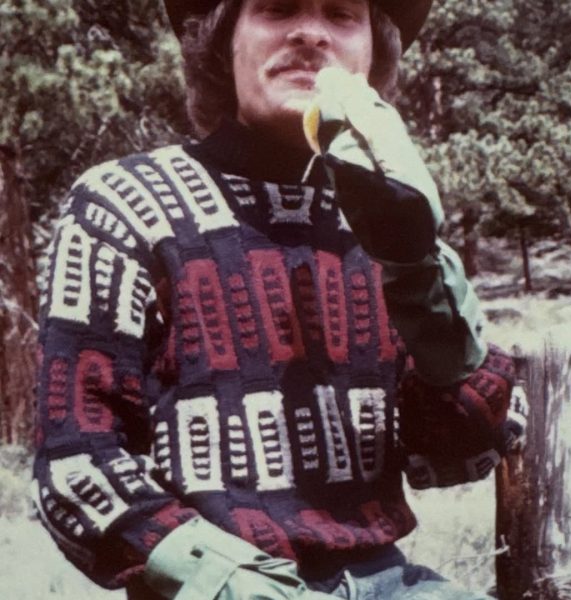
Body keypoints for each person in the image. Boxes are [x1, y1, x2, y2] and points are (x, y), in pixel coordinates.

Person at [33, 0, 517, 598]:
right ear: (222, 43)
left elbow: (458, 449)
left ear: (373, 51)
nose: (310, 32)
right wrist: (232, 580)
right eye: (277, 8)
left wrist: (417, 269)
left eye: (341, 14)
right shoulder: (124, 203)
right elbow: (77, 463)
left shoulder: (393, 214)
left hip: (391, 581)